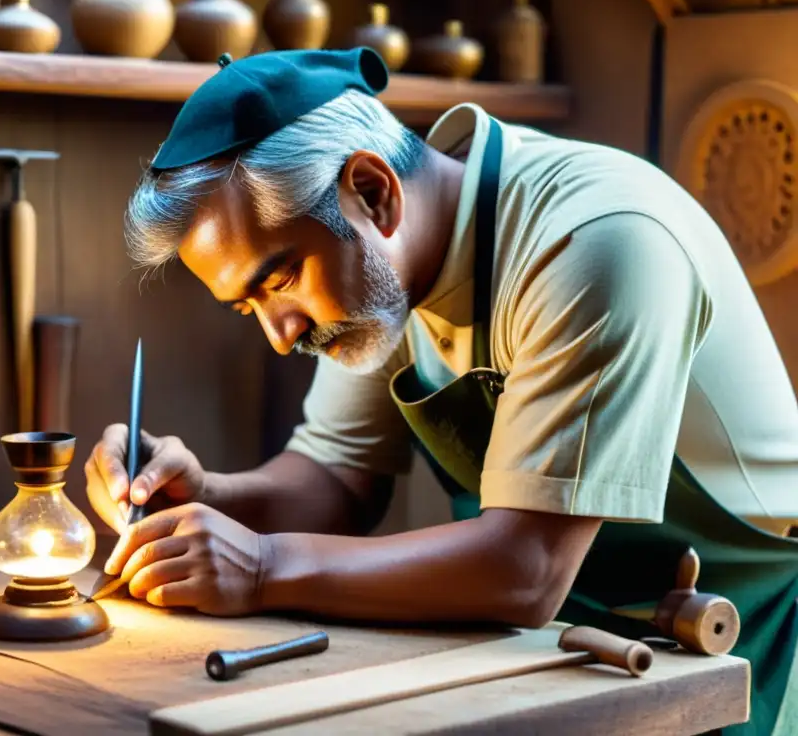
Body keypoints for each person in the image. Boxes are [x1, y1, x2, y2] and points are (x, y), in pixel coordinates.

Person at [85, 47, 798, 735]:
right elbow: (336, 479)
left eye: (279, 283)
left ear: (372, 193)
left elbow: (526, 570)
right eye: (251, 308)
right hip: (567, 641)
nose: (279, 334)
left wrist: (263, 567)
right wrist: (201, 499)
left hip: (747, 640)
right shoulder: (381, 274)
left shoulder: (598, 239)